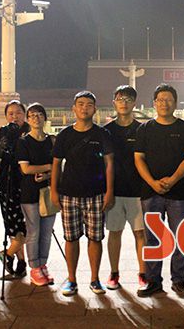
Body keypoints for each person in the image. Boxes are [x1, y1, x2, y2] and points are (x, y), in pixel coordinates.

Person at [51, 91, 114, 296]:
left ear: (95, 109)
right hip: (69, 194)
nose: (84, 108)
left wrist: (109, 191)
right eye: (80, 104)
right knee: (71, 238)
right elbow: (56, 164)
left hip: (96, 194)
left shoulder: (102, 134)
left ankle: (95, 279)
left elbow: (109, 163)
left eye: (89, 104)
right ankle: (71, 280)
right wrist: (54, 191)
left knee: (95, 238)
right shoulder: (65, 135)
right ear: (74, 108)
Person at [134, 84, 184, 298]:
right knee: (153, 239)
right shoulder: (144, 129)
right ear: (154, 103)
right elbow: (138, 159)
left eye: (168, 99)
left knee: (181, 237)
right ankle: (153, 281)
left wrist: (174, 179)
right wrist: (152, 182)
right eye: (160, 100)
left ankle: (179, 280)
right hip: (150, 193)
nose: (164, 103)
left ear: (175, 103)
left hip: (178, 193)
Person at [103, 86, 147, 290]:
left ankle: (143, 273)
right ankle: (114, 273)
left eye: (128, 99)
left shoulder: (142, 129)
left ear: (134, 103)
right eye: (120, 99)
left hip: (138, 191)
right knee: (115, 233)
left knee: (140, 234)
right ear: (114, 103)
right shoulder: (107, 131)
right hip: (114, 192)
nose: (124, 103)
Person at [15, 103, 56, 287]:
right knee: (34, 232)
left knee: (46, 233)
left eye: (39, 114)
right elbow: (25, 169)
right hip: (30, 193)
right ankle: (34, 268)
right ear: (27, 119)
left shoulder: (51, 141)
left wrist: (47, 174)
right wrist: (48, 167)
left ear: (45, 118)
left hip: (48, 192)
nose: (36, 118)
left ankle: (42, 264)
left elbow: (59, 166)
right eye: (32, 115)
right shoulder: (24, 142)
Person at [0, 100, 30, 278]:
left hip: (27, 185)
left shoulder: (30, 132)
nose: (15, 116)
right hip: (7, 184)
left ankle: (7, 254)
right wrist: (2, 145)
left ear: (25, 114)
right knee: (12, 226)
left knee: (26, 226)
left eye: (18, 113)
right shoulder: (2, 133)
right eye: (11, 113)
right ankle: (21, 262)